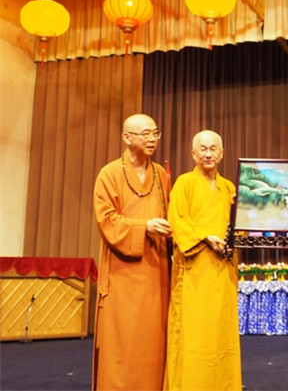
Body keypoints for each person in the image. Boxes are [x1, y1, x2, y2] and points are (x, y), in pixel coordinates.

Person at [92, 114, 172, 391]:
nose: (152, 139)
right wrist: (144, 226)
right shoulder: (110, 174)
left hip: (155, 270)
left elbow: (170, 215)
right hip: (123, 271)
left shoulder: (160, 175)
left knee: (152, 339)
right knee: (123, 339)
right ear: (127, 138)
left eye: (155, 133)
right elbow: (106, 221)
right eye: (145, 134)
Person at [164, 130, 241, 391]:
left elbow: (237, 226)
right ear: (193, 153)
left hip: (223, 271)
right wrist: (205, 238)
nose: (208, 154)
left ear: (222, 153)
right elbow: (177, 221)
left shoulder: (229, 188)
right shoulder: (184, 183)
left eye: (213, 149)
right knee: (193, 335)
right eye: (203, 149)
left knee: (221, 334)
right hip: (194, 272)